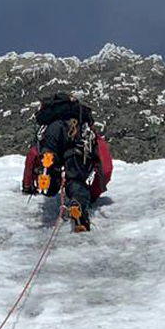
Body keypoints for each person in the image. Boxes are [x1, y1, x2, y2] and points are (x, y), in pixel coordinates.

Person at [21, 92, 113, 232]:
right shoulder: (82, 120)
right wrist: (93, 194)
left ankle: (49, 171)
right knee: (75, 180)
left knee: (51, 168)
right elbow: (105, 166)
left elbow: (32, 156)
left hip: (52, 135)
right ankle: (78, 206)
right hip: (75, 137)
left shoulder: (48, 122)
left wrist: (27, 186)